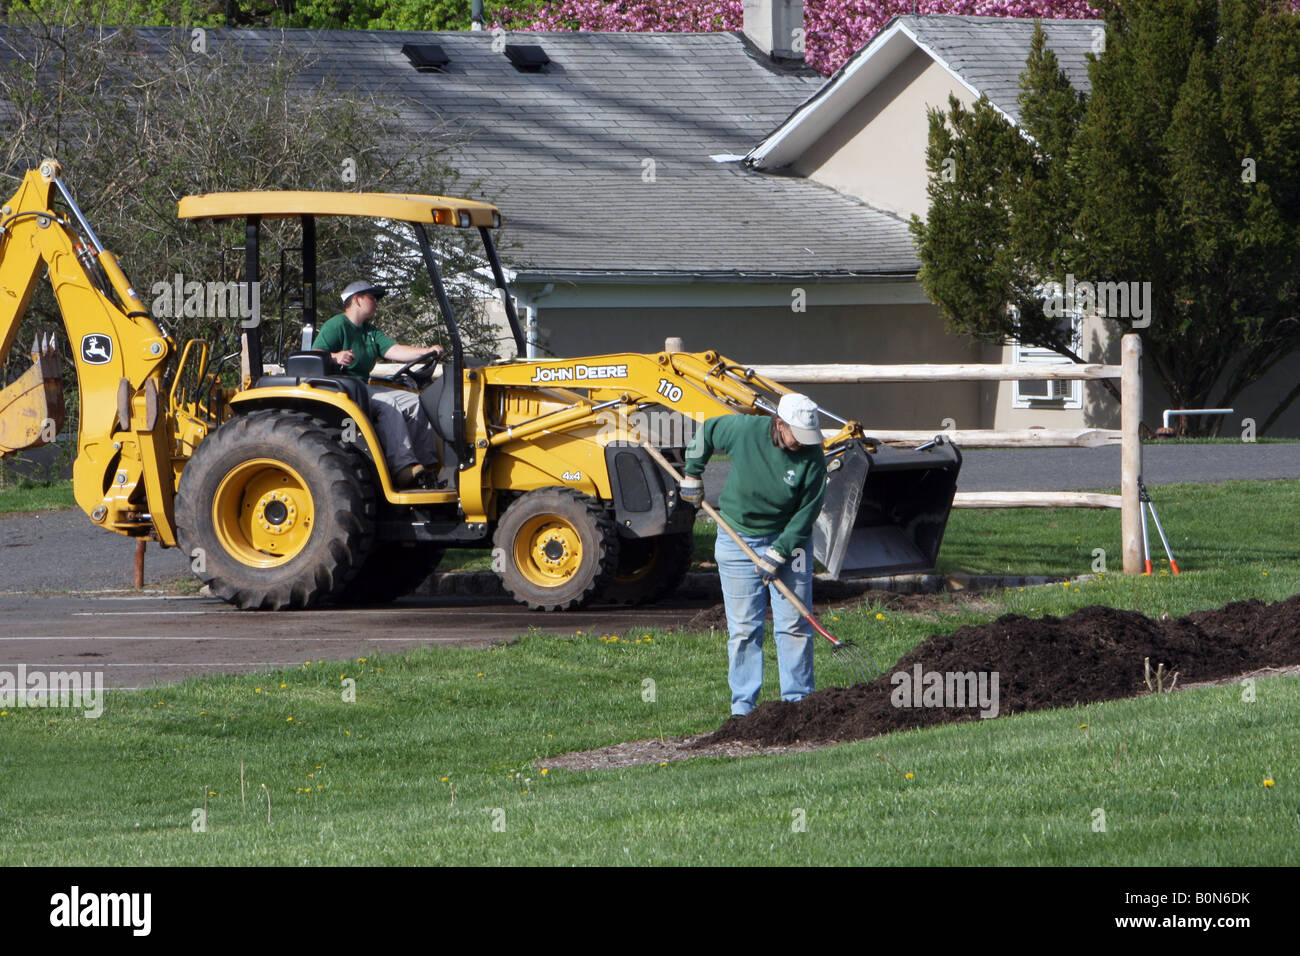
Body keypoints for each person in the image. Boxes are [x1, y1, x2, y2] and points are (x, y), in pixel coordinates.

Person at [680, 393, 827, 716]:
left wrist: (779, 552)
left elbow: (807, 512)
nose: (802, 443)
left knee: (795, 623)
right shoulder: (744, 430)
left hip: (791, 539)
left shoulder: (813, 456)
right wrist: (693, 472)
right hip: (737, 536)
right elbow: (705, 432)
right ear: (779, 424)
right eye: (797, 436)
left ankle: (798, 704)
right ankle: (744, 709)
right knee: (745, 628)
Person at [313, 281, 445, 489]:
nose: (376, 302)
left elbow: (394, 351)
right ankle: (402, 467)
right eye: (371, 297)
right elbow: (316, 354)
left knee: (417, 401)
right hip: (343, 389)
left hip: (364, 387)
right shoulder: (337, 325)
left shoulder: (370, 331)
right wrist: (335, 356)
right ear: (356, 299)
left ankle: (425, 467)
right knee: (387, 403)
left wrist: (426, 351)